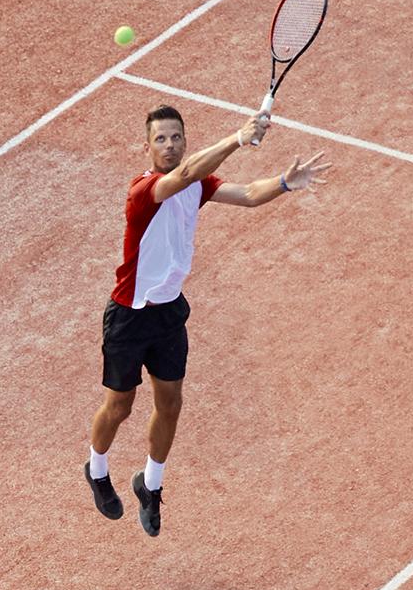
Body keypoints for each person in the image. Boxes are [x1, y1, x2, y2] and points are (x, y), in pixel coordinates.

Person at [84, 99, 317, 539]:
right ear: (148, 147)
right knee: (120, 406)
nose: (169, 145)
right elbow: (186, 173)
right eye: (161, 139)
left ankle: (150, 486)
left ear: (185, 140)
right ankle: (96, 469)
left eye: (175, 137)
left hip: (169, 312)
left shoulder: (198, 183)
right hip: (130, 316)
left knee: (170, 404)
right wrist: (237, 137)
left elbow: (247, 195)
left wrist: (285, 182)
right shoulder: (143, 190)